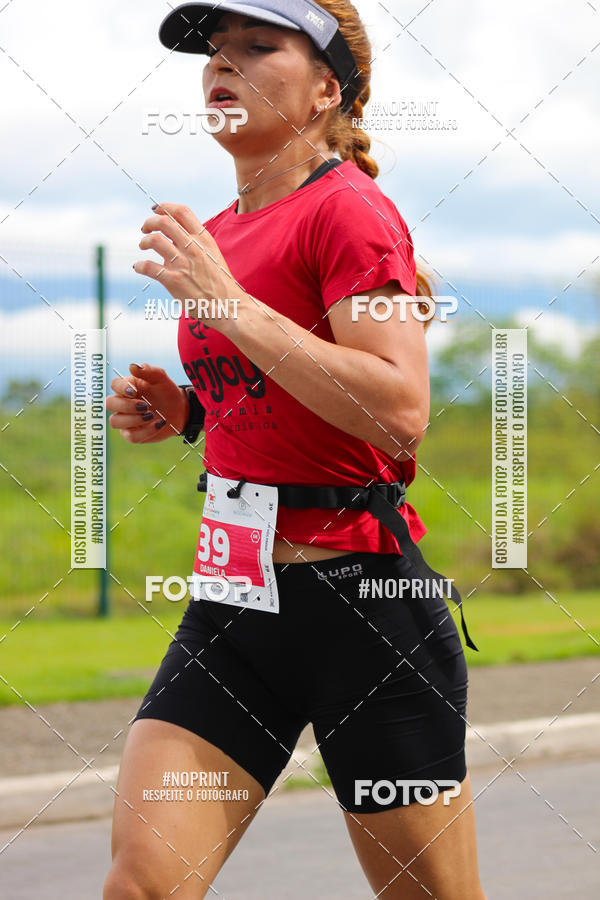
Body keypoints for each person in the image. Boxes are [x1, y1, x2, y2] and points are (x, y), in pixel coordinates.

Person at [103, 2, 487, 897]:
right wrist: (195, 414)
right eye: (214, 50)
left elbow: (397, 408)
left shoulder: (350, 212)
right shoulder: (228, 232)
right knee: (142, 883)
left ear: (325, 89)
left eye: (257, 46)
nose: (220, 65)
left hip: (365, 613)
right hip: (234, 610)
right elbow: (294, 398)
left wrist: (224, 301)